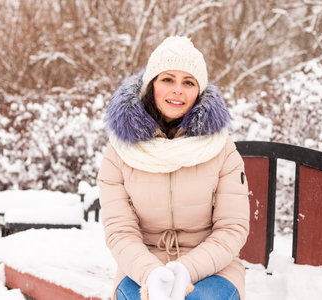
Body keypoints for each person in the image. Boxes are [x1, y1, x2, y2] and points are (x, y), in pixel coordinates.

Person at [98, 36, 250, 300]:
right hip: (141, 269)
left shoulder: (222, 149)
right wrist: (151, 274)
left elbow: (231, 228)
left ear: (198, 92)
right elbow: (120, 231)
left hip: (211, 269)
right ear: (151, 85)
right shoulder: (119, 152)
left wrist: (185, 271)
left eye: (188, 82)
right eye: (167, 79)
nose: (177, 90)